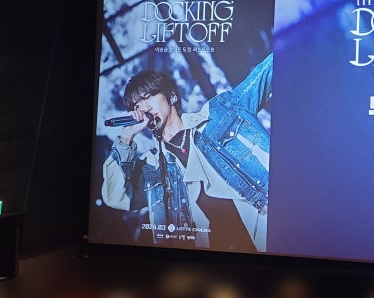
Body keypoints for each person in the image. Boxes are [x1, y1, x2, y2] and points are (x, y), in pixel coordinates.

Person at [101, 54, 272, 252]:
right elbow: (116, 196)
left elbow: (266, 72)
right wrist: (126, 138)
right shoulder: (152, 166)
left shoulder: (216, 115)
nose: (144, 108)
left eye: (148, 97)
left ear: (171, 96)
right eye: (136, 105)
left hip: (267, 241)